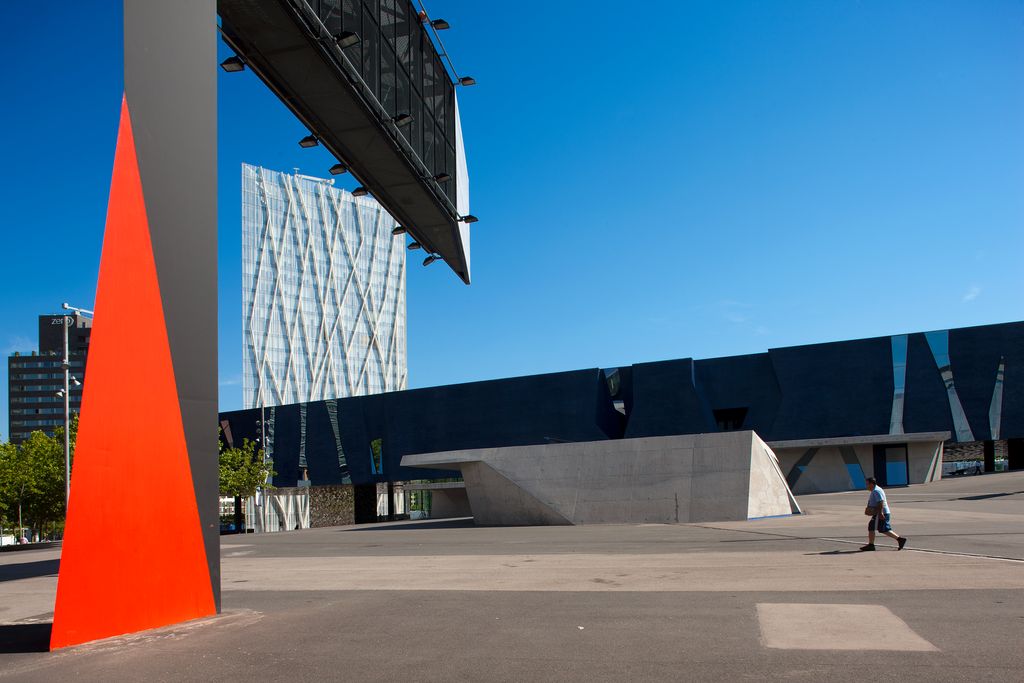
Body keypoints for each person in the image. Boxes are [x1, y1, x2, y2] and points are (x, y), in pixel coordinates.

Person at [861, 476, 907, 551]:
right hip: (880, 512)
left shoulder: (876, 491)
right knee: (876, 528)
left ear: (872, 484)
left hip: (880, 513)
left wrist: (880, 513)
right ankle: (871, 545)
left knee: (881, 529)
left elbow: (880, 502)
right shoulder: (876, 489)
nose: (866, 486)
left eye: (867, 484)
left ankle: (899, 539)